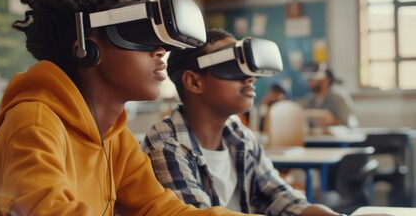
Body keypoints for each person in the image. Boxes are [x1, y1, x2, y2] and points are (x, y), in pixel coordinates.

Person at [0, 0, 257, 216]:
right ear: (85, 47)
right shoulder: (33, 124)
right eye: (139, 32)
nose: (161, 49)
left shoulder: (116, 138)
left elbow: (159, 208)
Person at [141, 28, 376, 216]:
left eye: (249, 67)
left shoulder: (239, 136)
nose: (251, 77)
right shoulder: (167, 145)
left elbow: (281, 198)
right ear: (194, 82)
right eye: (233, 67)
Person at [299, 63, 358, 128]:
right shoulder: (310, 99)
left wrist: (332, 121)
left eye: (312, 78)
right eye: (309, 79)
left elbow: (347, 121)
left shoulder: (338, 97)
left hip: (341, 136)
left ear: (326, 79)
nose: (309, 81)